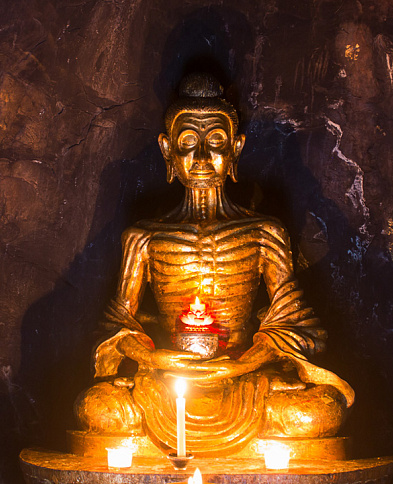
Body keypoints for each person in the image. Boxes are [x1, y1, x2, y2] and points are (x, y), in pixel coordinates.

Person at [75, 73, 353, 457]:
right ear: (167, 149)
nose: (203, 158)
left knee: (319, 413)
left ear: (236, 149)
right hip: (167, 384)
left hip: (245, 381)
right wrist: (151, 356)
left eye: (216, 142)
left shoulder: (264, 232)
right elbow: (116, 325)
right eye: (189, 142)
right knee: (99, 408)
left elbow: (298, 325)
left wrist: (239, 365)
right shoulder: (144, 237)